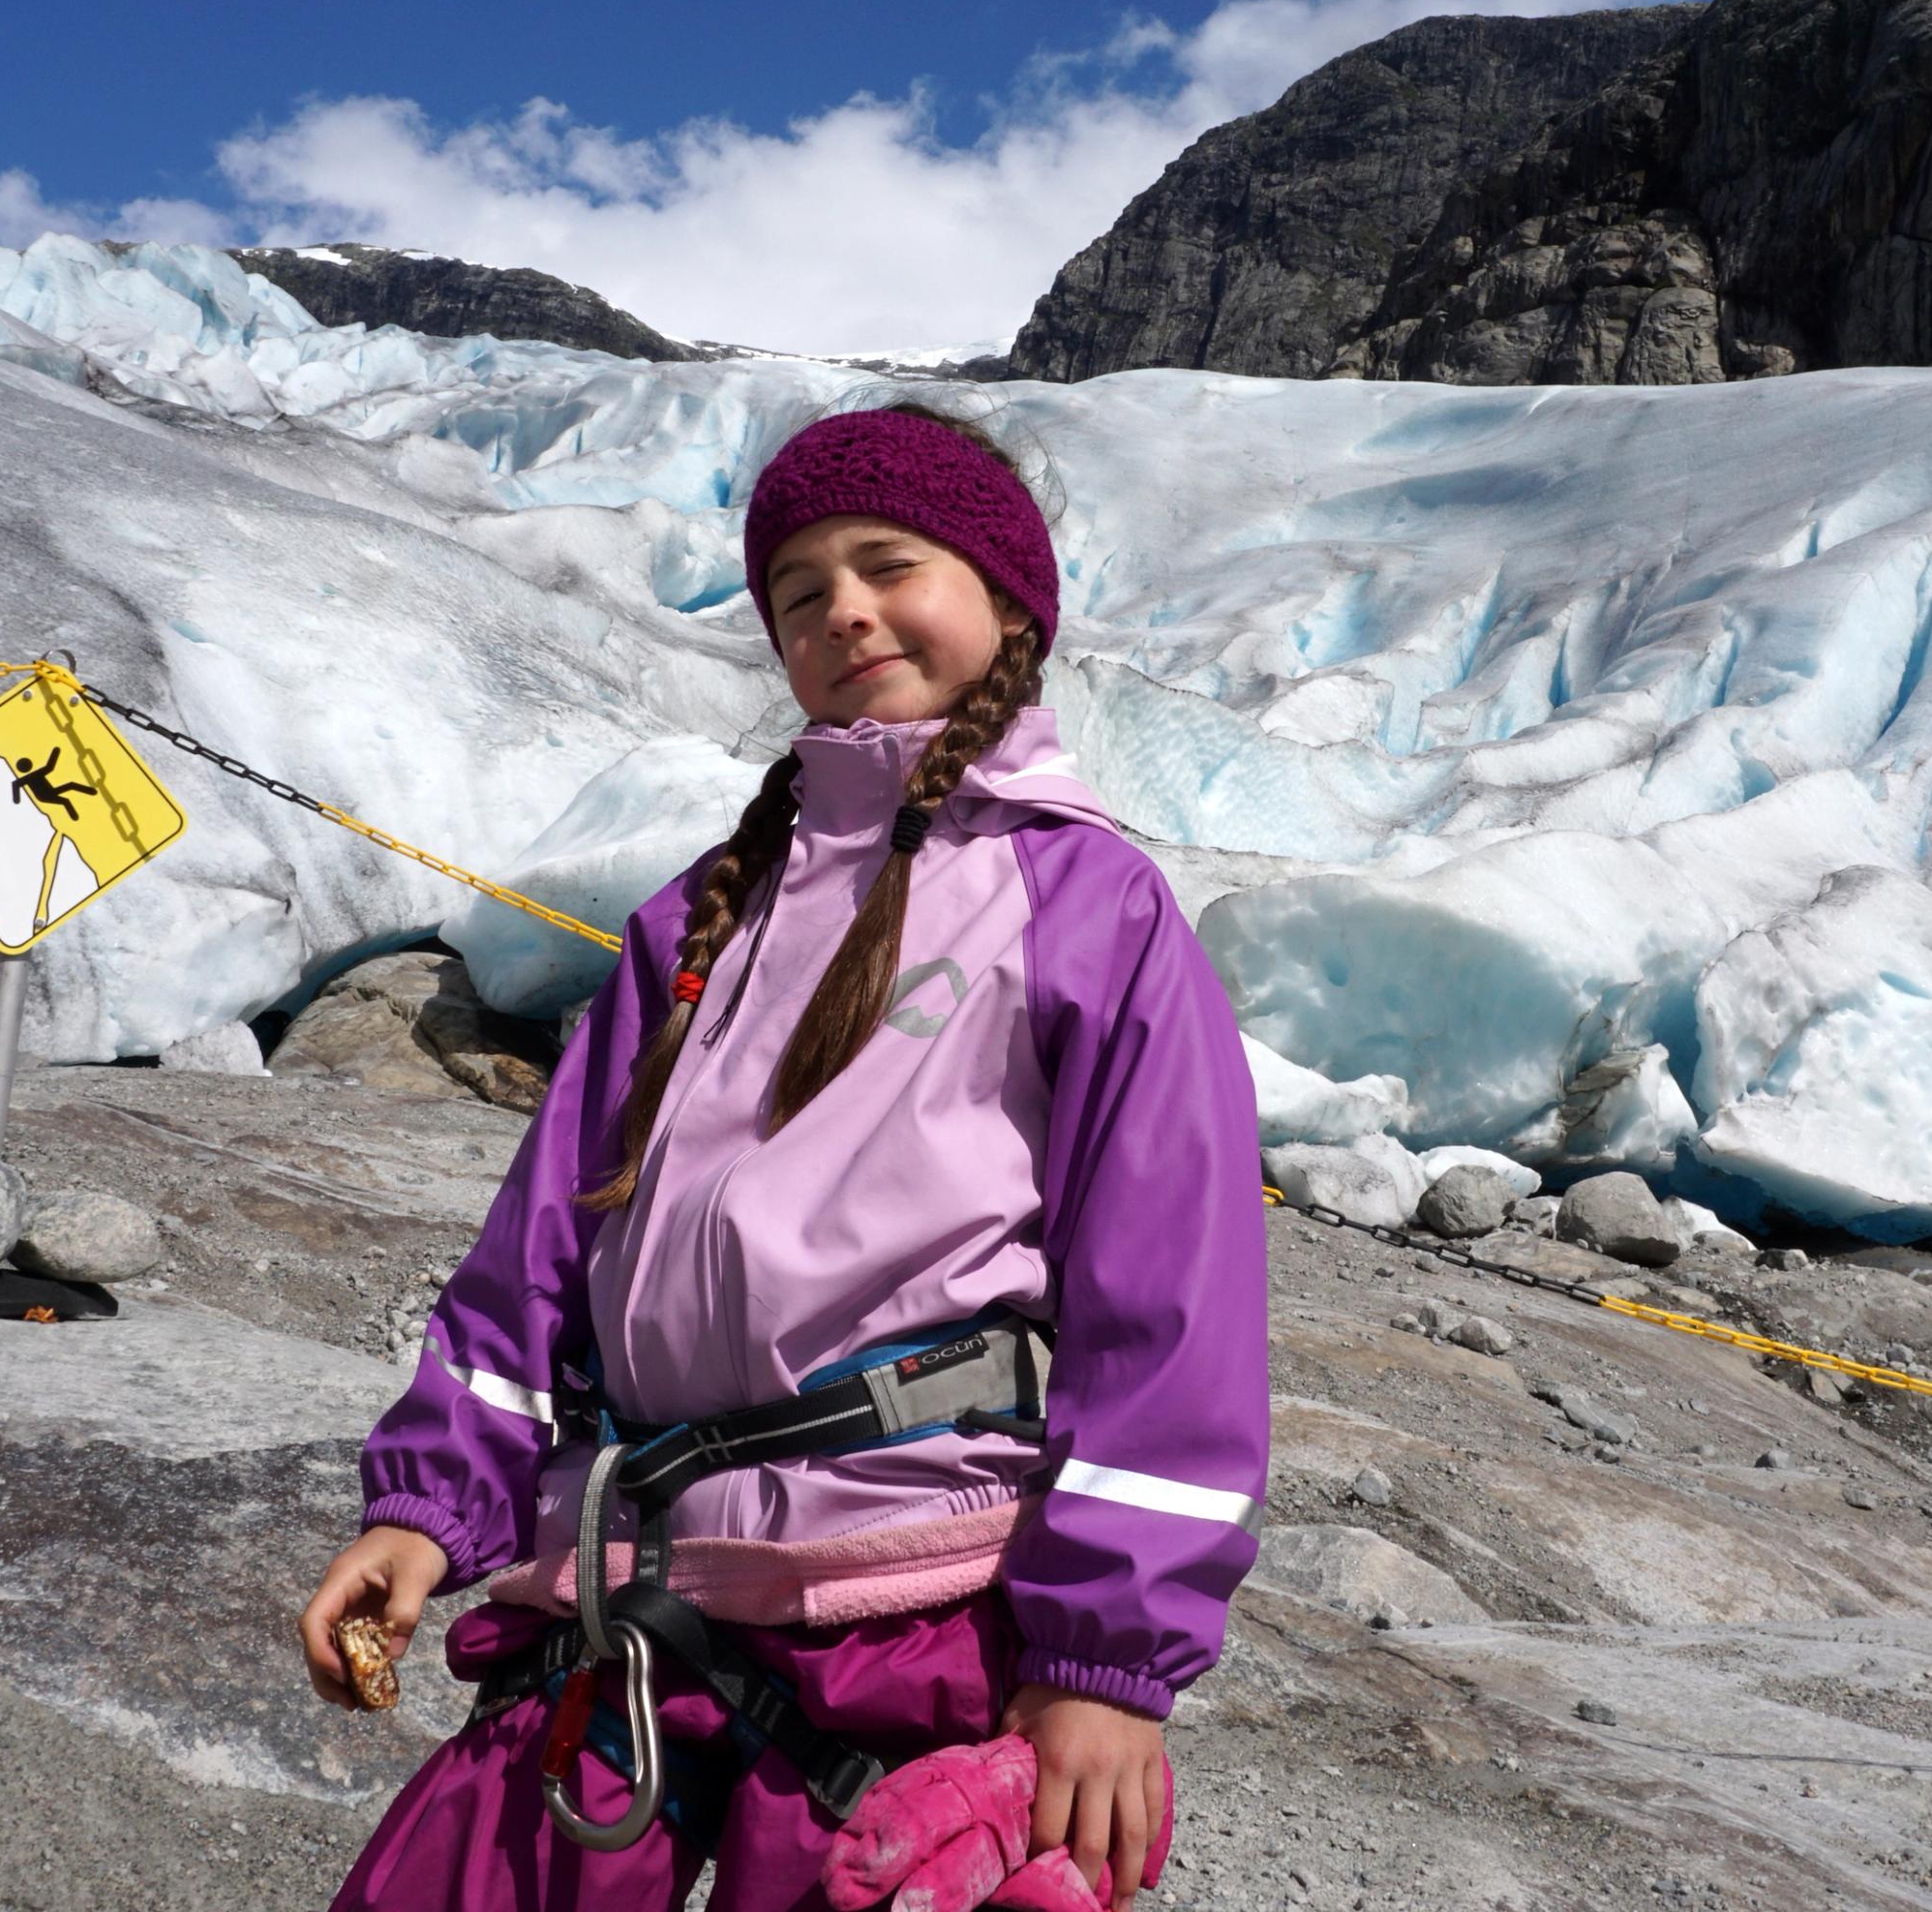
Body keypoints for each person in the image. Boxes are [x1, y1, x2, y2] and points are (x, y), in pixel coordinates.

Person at [300, 403, 1270, 1912]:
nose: (844, 611)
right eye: (800, 592)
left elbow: (1171, 1316)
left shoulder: (1092, 907)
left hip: (910, 1599)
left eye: (890, 564)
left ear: (1008, 602)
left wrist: (1106, 1665)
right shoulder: (700, 915)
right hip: (626, 1581)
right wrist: (426, 1504)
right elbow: (539, 1250)